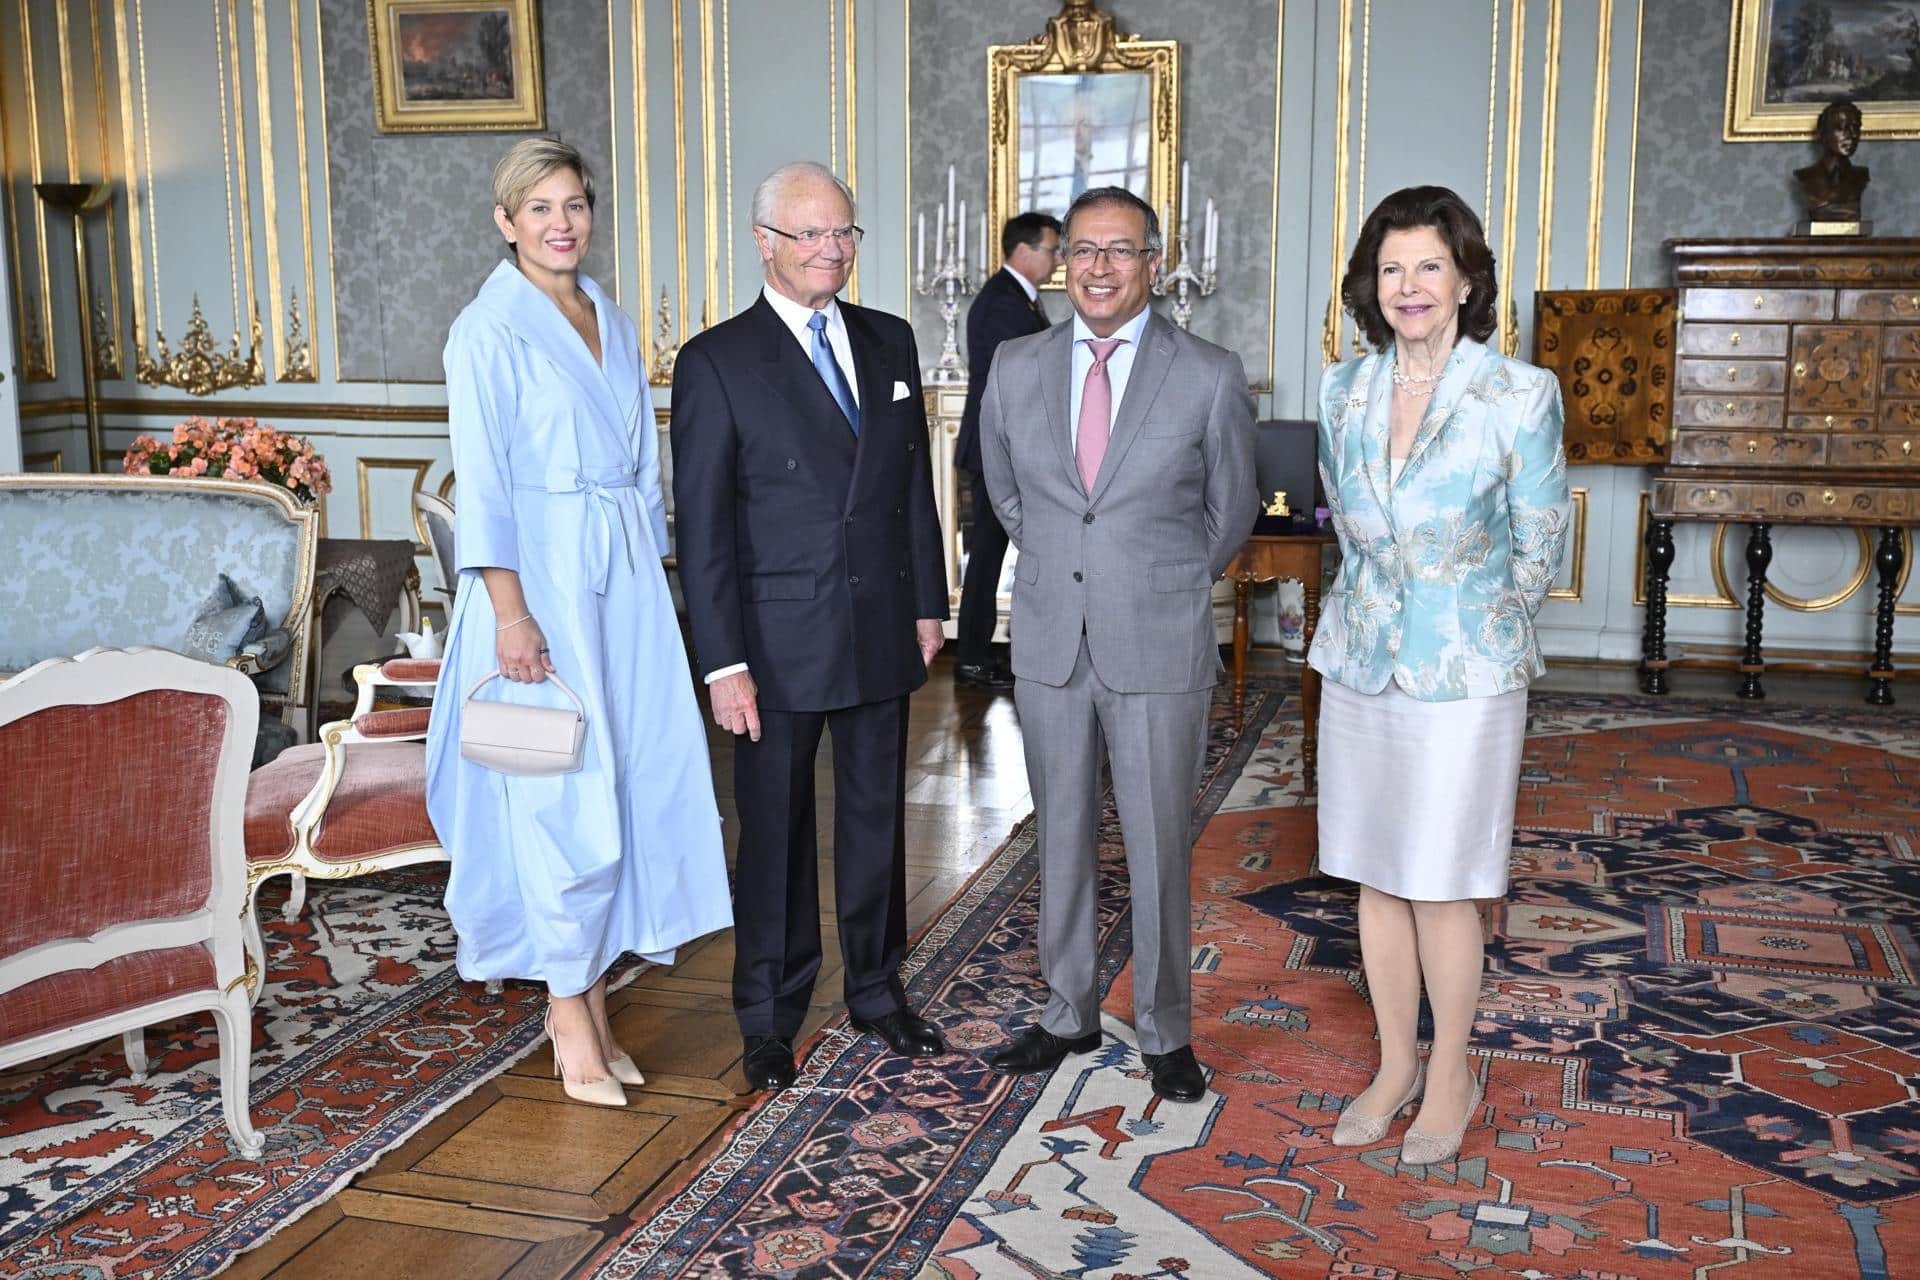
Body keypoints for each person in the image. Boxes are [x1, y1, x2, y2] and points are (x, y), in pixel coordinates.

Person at [425, 138, 733, 1109]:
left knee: (628, 778)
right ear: (505, 221)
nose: (563, 223)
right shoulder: (485, 330)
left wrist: (652, 588)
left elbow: (643, 466)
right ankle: (566, 1012)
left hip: (622, 584)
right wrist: (512, 615)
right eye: (541, 208)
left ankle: (593, 998)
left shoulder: (605, 311)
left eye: (575, 205)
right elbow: (485, 488)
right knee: (555, 791)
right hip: (541, 587)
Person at [671, 161, 951, 1092]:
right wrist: (723, 662)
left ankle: (876, 989)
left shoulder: (889, 339)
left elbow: (912, 482)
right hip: (773, 643)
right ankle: (769, 1015)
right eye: (811, 234)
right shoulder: (717, 360)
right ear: (765, 242)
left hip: (878, 624)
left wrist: (927, 602)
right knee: (777, 836)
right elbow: (703, 526)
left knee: (875, 823)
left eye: (844, 232)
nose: (831, 250)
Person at [1310, 185, 1570, 1165]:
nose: (1408, 286)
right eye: (1390, 268)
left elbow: (1539, 547)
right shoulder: (1343, 390)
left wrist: (1468, 624)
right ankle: (1393, 1061)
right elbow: (1349, 523)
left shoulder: (1519, 392)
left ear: (1465, 278)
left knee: (1444, 881)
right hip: (1361, 657)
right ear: (1369, 286)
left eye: (1427, 265)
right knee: (1377, 873)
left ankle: (1450, 1066)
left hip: (1468, 668)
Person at [978, 186, 1256, 1102]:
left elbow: (1232, 510)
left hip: (1158, 639)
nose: (1098, 267)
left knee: (1157, 841)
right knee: (1057, 834)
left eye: (1120, 250)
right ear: (1064, 264)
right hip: (1054, 634)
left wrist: (1165, 578)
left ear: (1153, 263)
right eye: (1084, 250)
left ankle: (1168, 1031)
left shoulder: (1209, 373)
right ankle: (1066, 1012)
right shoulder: (1017, 364)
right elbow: (1006, 492)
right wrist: (1070, 557)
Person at [953, 212, 1062, 690]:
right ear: (1025, 252)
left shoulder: (1018, 298)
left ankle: (1002, 651)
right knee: (988, 554)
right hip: (1000, 446)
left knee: (997, 551)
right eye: (1053, 250)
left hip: (1010, 445)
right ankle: (973, 657)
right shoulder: (1002, 302)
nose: (1058, 259)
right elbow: (1015, 384)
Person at [1794, 99, 1870, 222]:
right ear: (1822, 133)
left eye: (1855, 128)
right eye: (1843, 127)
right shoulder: (1806, 176)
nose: (1852, 134)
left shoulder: (1861, 176)